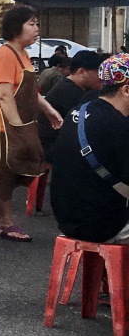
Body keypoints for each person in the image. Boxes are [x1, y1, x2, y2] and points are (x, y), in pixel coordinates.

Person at [0, 4, 64, 242]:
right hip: (2, 125)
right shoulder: (5, 55)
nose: (37, 28)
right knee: (7, 172)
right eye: (32, 23)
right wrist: (17, 128)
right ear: (17, 27)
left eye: (37, 23)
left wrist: (49, 111)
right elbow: (5, 95)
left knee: (26, 168)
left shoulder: (23, 55)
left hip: (21, 123)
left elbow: (31, 93)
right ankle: (5, 222)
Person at [48, 53, 129, 244]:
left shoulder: (80, 109)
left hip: (68, 218)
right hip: (102, 225)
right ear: (126, 90)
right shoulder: (118, 126)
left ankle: (106, 274)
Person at [40, 50, 105, 161]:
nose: (101, 77)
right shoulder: (68, 91)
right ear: (82, 72)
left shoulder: (77, 87)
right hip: (52, 148)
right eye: (98, 72)